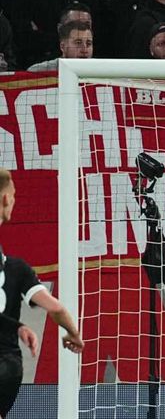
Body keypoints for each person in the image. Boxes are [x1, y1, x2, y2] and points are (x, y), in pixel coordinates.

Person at [0, 168, 83, 417]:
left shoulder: (12, 266)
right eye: (14, 195)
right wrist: (73, 334)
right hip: (7, 366)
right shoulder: (16, 267)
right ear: (6, 198)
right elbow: (56, 308)